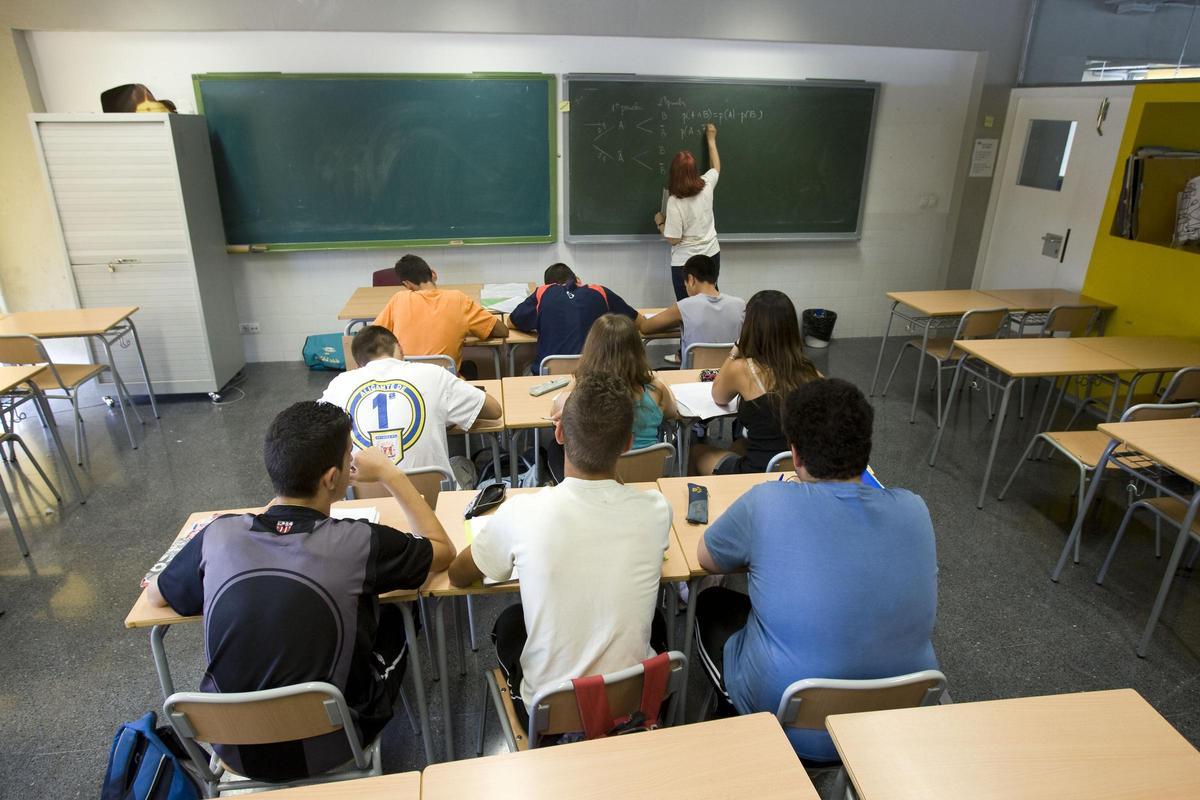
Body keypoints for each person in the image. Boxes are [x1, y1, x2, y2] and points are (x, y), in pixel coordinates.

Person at [145, 401, 455, 781]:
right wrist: (390, 474)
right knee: (398, 617)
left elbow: (156, 597)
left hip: (232, 746)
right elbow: (442, 550)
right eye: (349, 454)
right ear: (331, 479)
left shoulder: (219, 535)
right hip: (334, 743)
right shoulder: (358, 541)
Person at [694, 378, 938, 762]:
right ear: (865, 448)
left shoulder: (767, 502)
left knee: (710, 601)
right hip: (901, 715)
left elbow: (707, 558)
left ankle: (734, 729)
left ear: (794, 452)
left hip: (791, 722)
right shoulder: (915, 510)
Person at [447, 373, 670, 726]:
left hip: (551, 715)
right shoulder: (657, 510)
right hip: (633, 705)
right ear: (628, 444)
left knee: (509, 622)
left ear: (560, 434)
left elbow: (459, 576)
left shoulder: (523, 512)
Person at [319, 325, 502, 476]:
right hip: (433, 499)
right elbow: (494, 411)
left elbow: (318, 432)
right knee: (463, 465)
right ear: (399, 348)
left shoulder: (339, 385)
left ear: (358, 363)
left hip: (364, 499)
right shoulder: (433, 374)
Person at [689, 290, 819, 474]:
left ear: (750, 326)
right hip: (800, 469)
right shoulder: (812, 373)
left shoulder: (743, 368)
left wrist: (736, 349)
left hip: (759, 471)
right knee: (739, 445)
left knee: (696, 451)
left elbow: (718, 396)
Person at [372, 253, 506, 372]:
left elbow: (373, 335)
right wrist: (464, 328)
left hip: (407, 381)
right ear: (433, 274)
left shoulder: (398, 299)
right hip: (445, 381)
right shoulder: (458, 299)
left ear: (407, 284)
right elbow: (502, 331)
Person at [509, 262, 639, 372]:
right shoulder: (600, 291)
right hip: (597, 372)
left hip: (551, 375)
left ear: (548, 285)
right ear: (578, 280)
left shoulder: (543, 292)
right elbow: (637, 322)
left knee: (526, 370)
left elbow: (511, 321)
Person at [575, 314, 677, 450]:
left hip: (603, 467)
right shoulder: (655, 389)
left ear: (592, 350)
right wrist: (661, 381)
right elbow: (672, 412)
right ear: (638, 349)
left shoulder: (583, 391)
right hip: (650, 469)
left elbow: (557, 409)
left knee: (555, 449)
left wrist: (577, 378)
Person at [654, 123, 721, 306]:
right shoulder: (706, 185)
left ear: (674, 174)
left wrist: (660, 222)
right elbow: (716, 168)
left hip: (686, 263)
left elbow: (674, 239)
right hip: (711, 256)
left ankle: (691, 337)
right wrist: (711, 139)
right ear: (694, 171)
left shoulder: (675, 202)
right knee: (712, 305)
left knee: (688, 312)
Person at [637, 253, 745, 361]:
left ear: (691, 279)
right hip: (731, 373)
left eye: (686, 284)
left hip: (693, 376)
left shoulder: (684, 307)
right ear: (715, 278)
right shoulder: (740, 305)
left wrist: (676, 320)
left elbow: (646, 327)